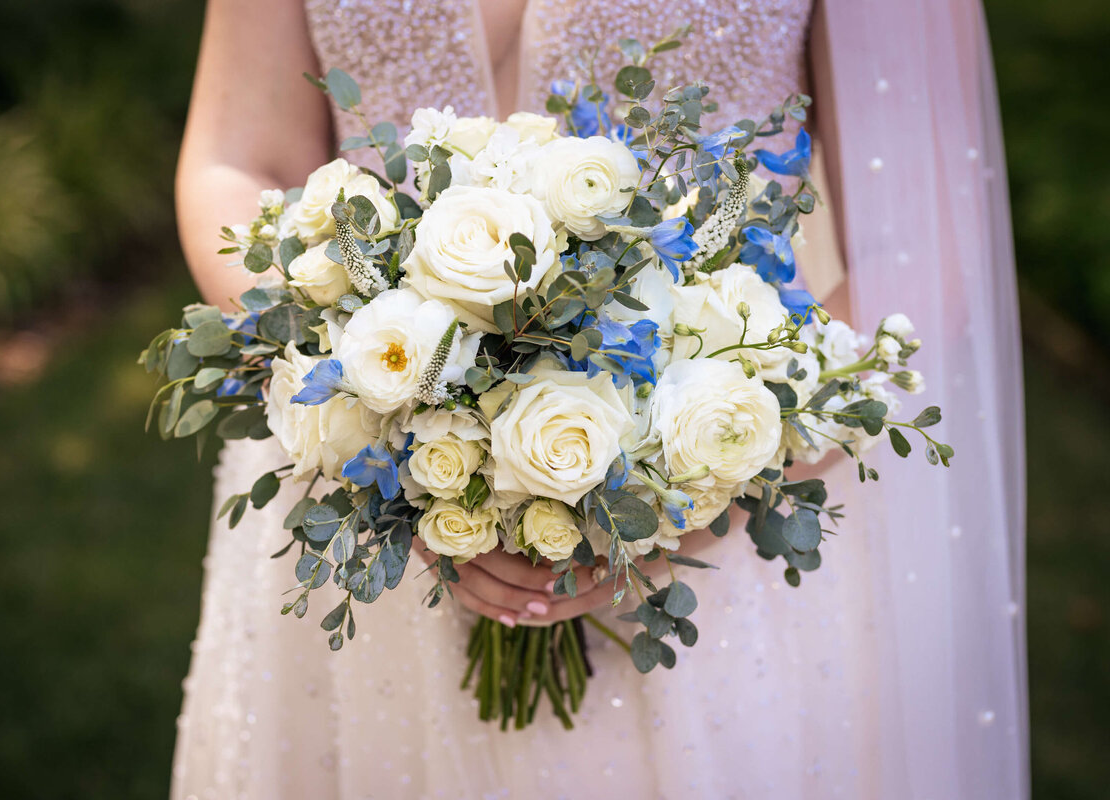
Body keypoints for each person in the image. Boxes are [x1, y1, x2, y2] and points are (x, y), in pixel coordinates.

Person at [171, 1, 1027, 797]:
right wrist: (385, 412)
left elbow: (924, 234)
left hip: (721, 538)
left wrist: (680, 491)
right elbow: (242, 160)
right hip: (370, 512)